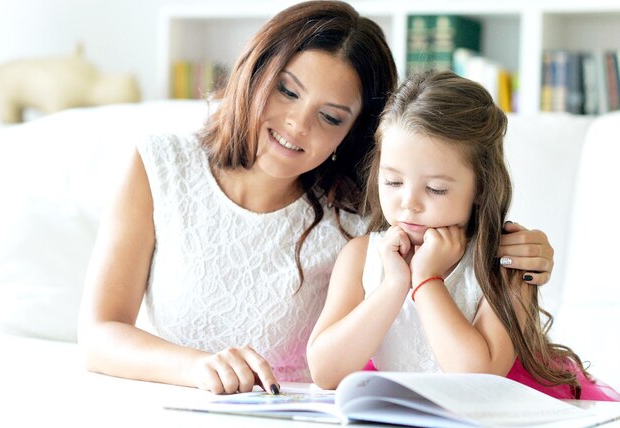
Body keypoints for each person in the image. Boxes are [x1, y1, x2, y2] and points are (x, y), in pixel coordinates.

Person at [78, 2, 555, 396]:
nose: (297, 125)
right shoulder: (159, 164)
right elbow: (99, 334)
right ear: (256, 70)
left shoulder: (362, 213)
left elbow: (442, 194)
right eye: (286, 91)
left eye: (330, 117)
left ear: (355, 134)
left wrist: (524, 247)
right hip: (181, 404)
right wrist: (198, 368)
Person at [307, 70, 620, 401]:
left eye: (436, 189)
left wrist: (426, 280)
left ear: (480, 188)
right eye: (394, 182)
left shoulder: (505, 264)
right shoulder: (362, 256)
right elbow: (325, 372)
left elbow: (478, 379)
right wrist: (393, 285)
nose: (409, 204)